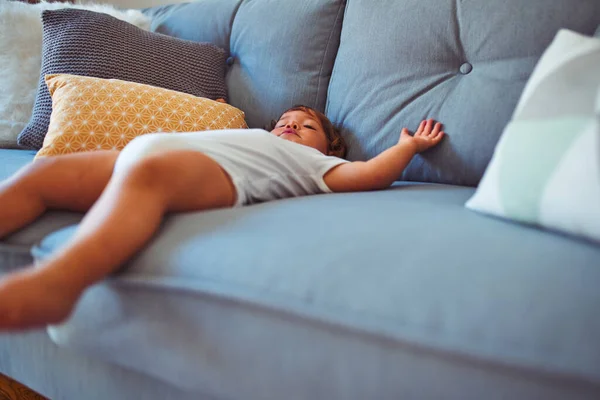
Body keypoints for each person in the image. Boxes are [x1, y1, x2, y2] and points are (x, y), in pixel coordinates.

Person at [0, 105, 445, 331]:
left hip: (210, 175)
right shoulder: (248, 131)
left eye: (306, 127)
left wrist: (406, 148)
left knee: (149, 177)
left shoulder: (315, 165)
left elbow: (370, 175)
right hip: (138, 154)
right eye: (284, 121)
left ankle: (59, 283)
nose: (290, 126)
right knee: (45, 174)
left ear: (329, 149)